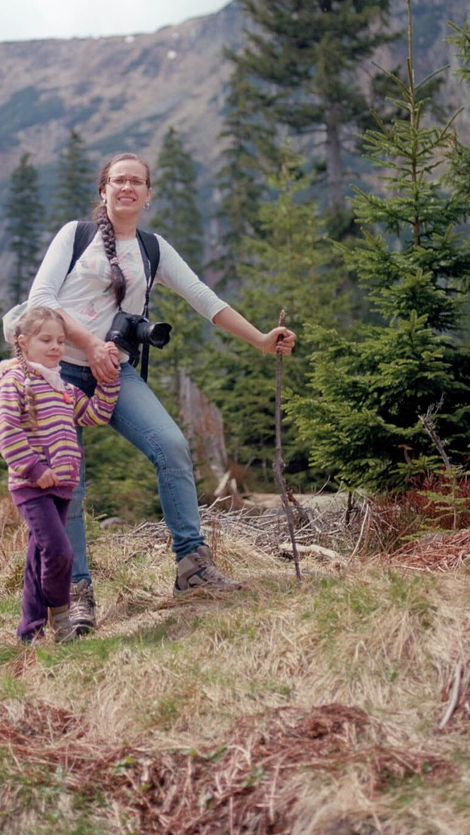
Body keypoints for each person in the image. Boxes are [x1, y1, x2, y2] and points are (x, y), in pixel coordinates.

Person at [26, 151, 296, 634]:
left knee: (170, 446)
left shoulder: (152, 248)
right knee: (69, 480)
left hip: (116, 374)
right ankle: (75, 595)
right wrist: (90, 343)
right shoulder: (75, 236)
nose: (127, 188)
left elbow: (203, 298)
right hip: (57, 373)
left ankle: (192, 566)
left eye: (137, 181)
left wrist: (259, 339)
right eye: (118, 180)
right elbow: (40, 301)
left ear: (148, 195)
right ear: (103, 190)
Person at [0, 305, 120, 643]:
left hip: (61, 486)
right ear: (22, 342)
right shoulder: (14, 380)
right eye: (46, 339)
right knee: (60, 553)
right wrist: (34, 468)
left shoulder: (62, 386)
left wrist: (110, 379)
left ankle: (29, 632)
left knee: (37, 559)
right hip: (31, 486)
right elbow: (5, 430)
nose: (56, 347)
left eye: (60, 341)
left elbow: (94, 415)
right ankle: (62, 622)